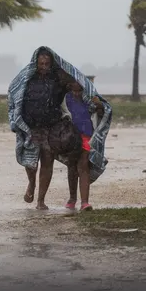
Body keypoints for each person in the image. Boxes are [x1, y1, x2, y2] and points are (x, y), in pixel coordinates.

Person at [20, 48, 70, 210]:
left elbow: (74, 85)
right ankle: (32, 184)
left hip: (51, 127)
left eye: (47, 63)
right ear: (36, 63)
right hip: (31, 127)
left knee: (47, 162)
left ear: (51, 63)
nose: (44, 66)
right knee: (30, 163)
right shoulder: (27, 78)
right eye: (41, 64)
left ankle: (41, 200)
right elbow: (15, 95)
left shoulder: (57, 79)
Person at [60, 80, 104, 211]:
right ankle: (72, 199)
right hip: (70, 136)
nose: (77, 93)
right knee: (72, 166)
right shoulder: (65, 98)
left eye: (80, 91)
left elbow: (102, 113)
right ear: (69, 87)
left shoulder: (90, 99)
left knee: (83, 165)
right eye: (74, 91)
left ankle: (85, 202)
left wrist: (100, 106)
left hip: (86, 135)